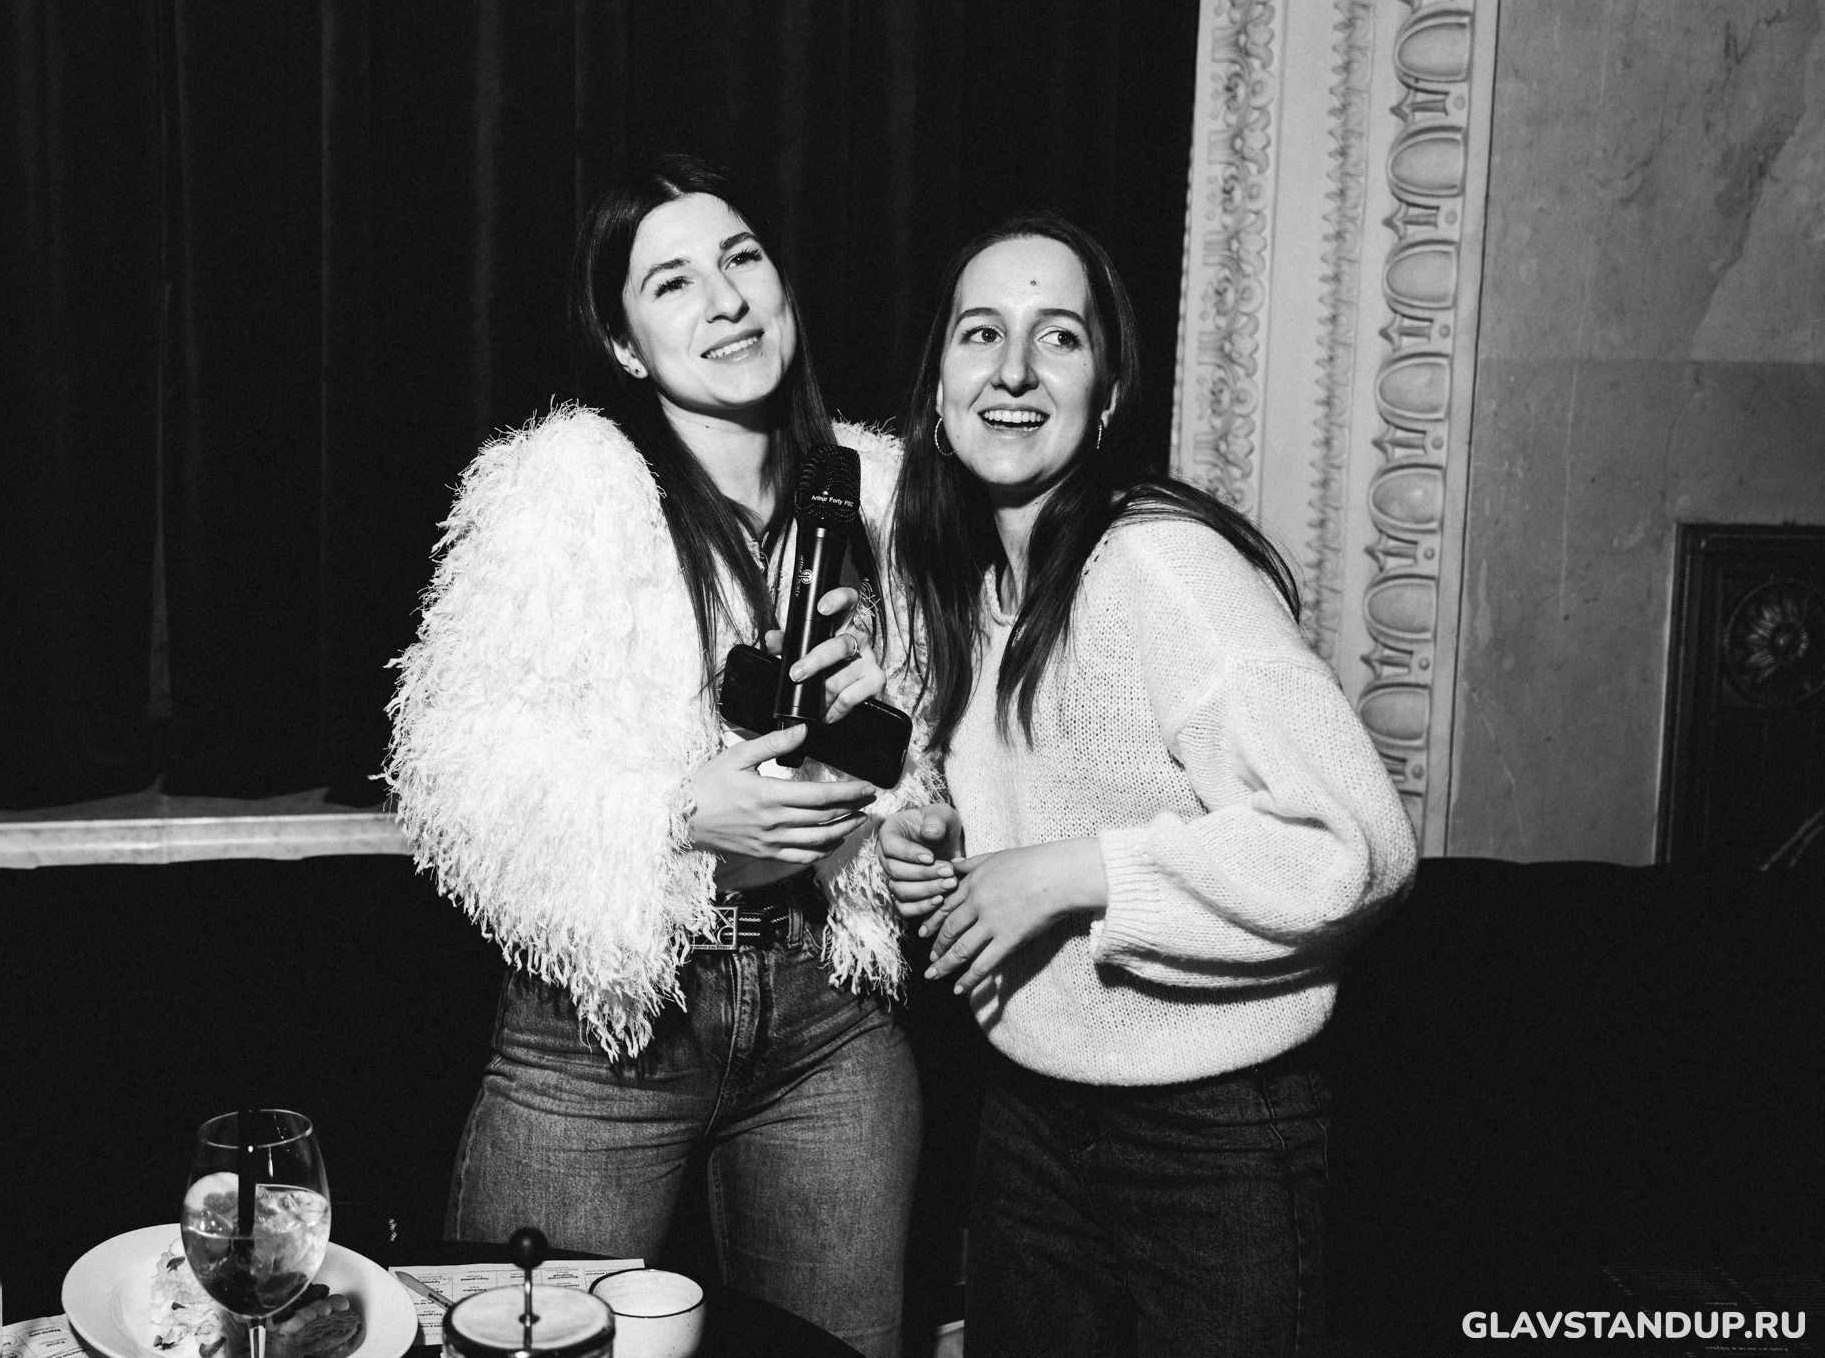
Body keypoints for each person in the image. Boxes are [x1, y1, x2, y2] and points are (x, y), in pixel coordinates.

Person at [384, 155, 922, 1358]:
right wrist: (675, 816)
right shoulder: (564, 491)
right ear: (625, 344)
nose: (724, 299)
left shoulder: (881, 495)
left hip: (830, 1021)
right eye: (671, 282)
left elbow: (940, 754)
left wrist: (884, 728)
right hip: (607, 1033)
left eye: (741, 259)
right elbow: (454, 766)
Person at [879, 213, 1418, 1357]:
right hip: (1029, 1120)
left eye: (1057, 337)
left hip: (1212, 1136)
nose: (1012, 369)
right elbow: (1048, 810)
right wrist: (939, 855)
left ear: (1107, 395)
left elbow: (1353, 845)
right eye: (980, 333)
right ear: (936, 391)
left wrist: (1071, 874)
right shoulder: (971, 590)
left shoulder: (1159, 563)